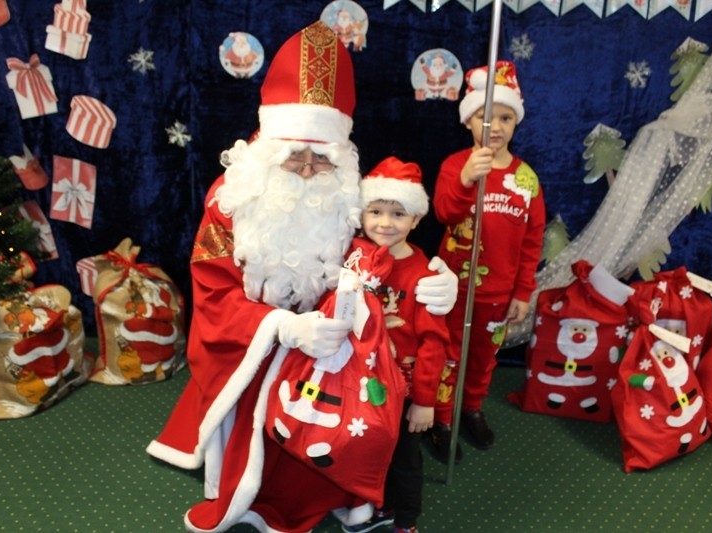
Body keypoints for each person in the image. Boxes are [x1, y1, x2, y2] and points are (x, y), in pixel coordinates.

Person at [145, 21, 458, 533]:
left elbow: (384, 253)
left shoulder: (345, 199)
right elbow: (213, 292)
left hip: (330, 360)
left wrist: (435, 282)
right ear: (271, 148)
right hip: (252, 352)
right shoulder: (233, 200)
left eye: (323, 158)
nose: (310, 169)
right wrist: (283, 327)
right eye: (296, 155)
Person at [429, 60, 546, 462]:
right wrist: (466, 180)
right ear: (468, 121)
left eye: (505, 118)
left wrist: (523, 291)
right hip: (454, 288)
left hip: (498, 293)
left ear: (516, 122)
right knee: (448, 355)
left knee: (482, 359)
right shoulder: (455, 166)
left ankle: (472, 408)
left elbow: (532, 240)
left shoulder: (526, 179)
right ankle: (442, 418)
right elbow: (444, 212)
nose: (495, 127)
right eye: (485, 117)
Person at [342, 157, 450, 533]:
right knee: (366, 450)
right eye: (376, 211)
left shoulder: (424, 275)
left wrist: (425, 401)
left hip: (402, 389)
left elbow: (434, 344)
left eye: (398, 214)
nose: (385, 223)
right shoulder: (353, 256)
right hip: (359, 380)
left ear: (416, 219)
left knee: (404, 459)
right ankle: (378, 505)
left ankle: (405, 519)